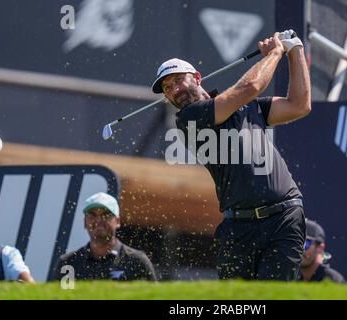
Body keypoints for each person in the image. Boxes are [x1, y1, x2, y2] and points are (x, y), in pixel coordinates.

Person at [152, 30, 311, 280]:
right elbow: (252, 85)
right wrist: (276, 52)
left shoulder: (245, 107)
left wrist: (295, 50)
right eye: (167, 88)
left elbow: (299, 105)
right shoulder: (188, 118)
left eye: (178, 80)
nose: (174, 90)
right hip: (239, 227)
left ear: (197, 78)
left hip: (284, 218)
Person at [53, 192, 157, 281]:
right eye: (92, 215)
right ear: (84, 222)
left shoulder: (137, 262)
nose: (98, 220)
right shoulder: (68, 264)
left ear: (117, 221)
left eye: (106, 215)